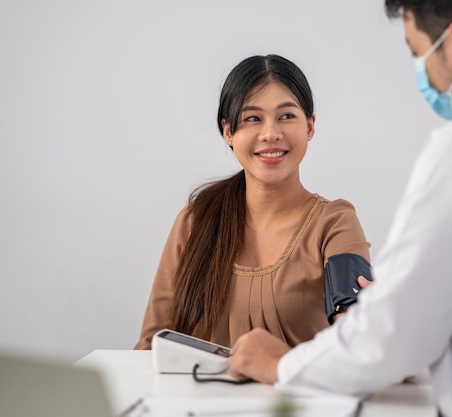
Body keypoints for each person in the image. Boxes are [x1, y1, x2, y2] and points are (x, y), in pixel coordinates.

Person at [227, 2, 452, 417]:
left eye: (418, 52)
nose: (423, 72)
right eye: (251, 119)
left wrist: (280, 364)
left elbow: (391, 337)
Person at [134, 54, 371, 350]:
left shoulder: (335, 224)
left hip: (296, 397)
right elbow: (151, 345)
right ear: (228, 131)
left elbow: (356, 332)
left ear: (310, 126)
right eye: (252, 118)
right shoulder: (195, 221)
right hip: (196, 396)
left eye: (286, 116)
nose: (270, 133)